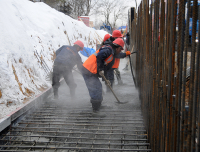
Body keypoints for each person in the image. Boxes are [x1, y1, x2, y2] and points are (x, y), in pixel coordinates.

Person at [82, 38, 124, 111]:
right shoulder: (108, 49)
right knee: (95, 88)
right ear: (118, 47)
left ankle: (98, 106)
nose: (120, 51)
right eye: (121, 49)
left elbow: (106, 67)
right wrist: (100, 69)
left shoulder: (111, 52)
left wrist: (106, 79)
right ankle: (95, 110)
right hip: (89, 69)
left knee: (98, 87)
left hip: (92, 70)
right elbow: (100, 56)